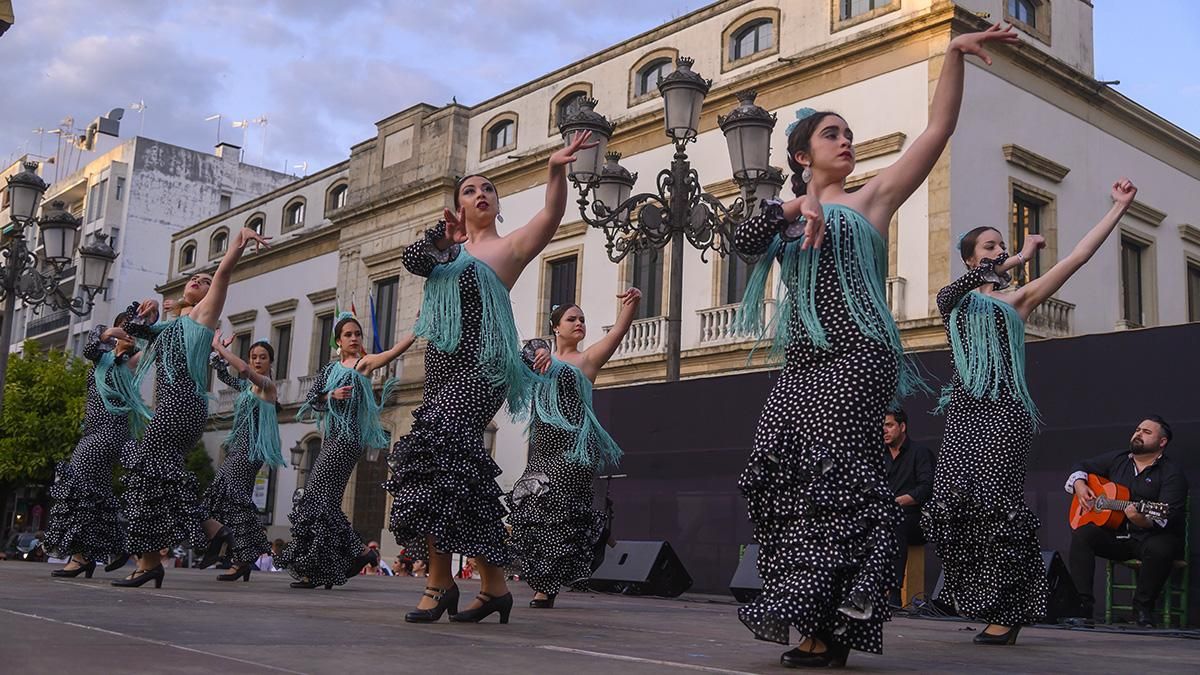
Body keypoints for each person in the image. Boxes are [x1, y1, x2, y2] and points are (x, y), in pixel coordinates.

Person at [730, 23, 1021, 668]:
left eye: (849, 134)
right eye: (832, 134)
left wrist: (952, 55)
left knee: (837, 477)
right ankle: (820, 617)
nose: (847, 141)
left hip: (859, 354)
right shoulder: (783, 217)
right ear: (802, 157)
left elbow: (937, 130)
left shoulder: (872, 200)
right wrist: (794, 209)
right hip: (804, 360)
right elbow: (741, 243)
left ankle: (830, 623)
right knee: (781, 474)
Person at [385, 130, 597, 625]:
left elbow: (551, 216)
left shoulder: (508, 248)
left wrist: (555, 170)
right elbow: (411, 261)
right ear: (458, 206)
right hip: (441, 368)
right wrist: (443, 239)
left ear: (497, 206)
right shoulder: (443, 251)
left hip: (484, 369)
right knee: (446, 471)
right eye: (470, 190)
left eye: (488, 189)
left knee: (439, 453)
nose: (480, 193)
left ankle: (441, 584)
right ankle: (494, 587)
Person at [923, 178, 1139, 645]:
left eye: (1001, 244)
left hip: (1004, 412)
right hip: (963, 413)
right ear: (970, 259)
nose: (998, 250)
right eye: (989, 246)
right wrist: (1017, 257)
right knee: (949, 505)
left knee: (999, 508)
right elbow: (953, 292)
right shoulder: (953, 301)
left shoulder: (1016, 301)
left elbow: (1077, 257)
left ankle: (1009, 610)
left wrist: (1118, 207)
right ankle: (979, 595)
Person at [115, 227, 269, 589]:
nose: (198, 281)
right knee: (155, 477)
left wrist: (237, 244)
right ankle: (199, 535)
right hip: (176, 406)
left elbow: (223, 275)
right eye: (194, 278)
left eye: (204, 280)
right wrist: (146, 313)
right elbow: (131, 334)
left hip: (181, 404)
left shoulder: (203, 316)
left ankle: (163, 555)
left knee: (148, 475)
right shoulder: (173, 325)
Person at [507, 290, 641, 609]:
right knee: (531, 506)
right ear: (556, 327)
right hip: (543, 449)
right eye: (572, 319)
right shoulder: (539, 358)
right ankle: (552, 568)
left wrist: (631, 305)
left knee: (559, 509)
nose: (579, 323)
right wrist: (539, 352)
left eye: (582, 319)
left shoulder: (588, 359)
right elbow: (523, 353)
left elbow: (619, 331)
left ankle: (546, 587)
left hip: (574, 450)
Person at [279, 313, 413, 589]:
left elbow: (391, 353)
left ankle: (343, 558)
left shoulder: (363, 364)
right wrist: (332, 395)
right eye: (348, 335)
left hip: (347, 439)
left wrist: (415, 332)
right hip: (331, 438)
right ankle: (342, 561)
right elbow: (312, 399)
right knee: (324, 501)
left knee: (315, 497)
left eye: (357, 334)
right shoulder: (330, 370)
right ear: (338, 341)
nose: (354, 338)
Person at [45, 305, 151, 578]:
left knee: (76, 486)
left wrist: (144, 327)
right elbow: (91, 347)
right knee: (98, 493)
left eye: (134, 329)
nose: (129, 332)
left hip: (108, 432)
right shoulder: (101, 355)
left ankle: (82, 557)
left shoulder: (131, 360)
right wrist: (113, 332)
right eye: (125, 326)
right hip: (95, 430)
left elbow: (147, 349)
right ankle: (114, 547)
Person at [1066, 416, 1188, 627]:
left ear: (1162, 442)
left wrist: (1141, 519)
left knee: (1161, 547)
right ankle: (1082, 608)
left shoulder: (1172, 473)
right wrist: (1079, 484)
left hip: (1151, 537)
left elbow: (1168, 515)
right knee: (1083, 534)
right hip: (1120, 536)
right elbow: (1080, 465)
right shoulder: (1119, 459)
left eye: (1147, 432)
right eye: (1138, 429)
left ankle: (1142, 610)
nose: (1139, 434)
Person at [196, 335, 285, 582]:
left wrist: (220, 347)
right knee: (222, 496)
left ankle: (237, 553)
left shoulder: (267, 386)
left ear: (271, 362)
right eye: (254, 357)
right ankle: (237, 555)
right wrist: (218, 359)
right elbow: (227, 377)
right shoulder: (248, 388)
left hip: (250, 452)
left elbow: (244, 370)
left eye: (262, 357)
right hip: (239, 448)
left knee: (234, 499)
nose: (257, 361)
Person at [881, 409, 934, 608]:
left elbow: (927, 488)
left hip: (915, 521)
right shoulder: (879, 456)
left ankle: (894, 595)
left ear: (902, 427)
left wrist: (897, 502)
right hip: (884, 518)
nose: (884, 430)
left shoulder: (919, 452)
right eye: (882, 426)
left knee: (896, 522)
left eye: (889, 425)